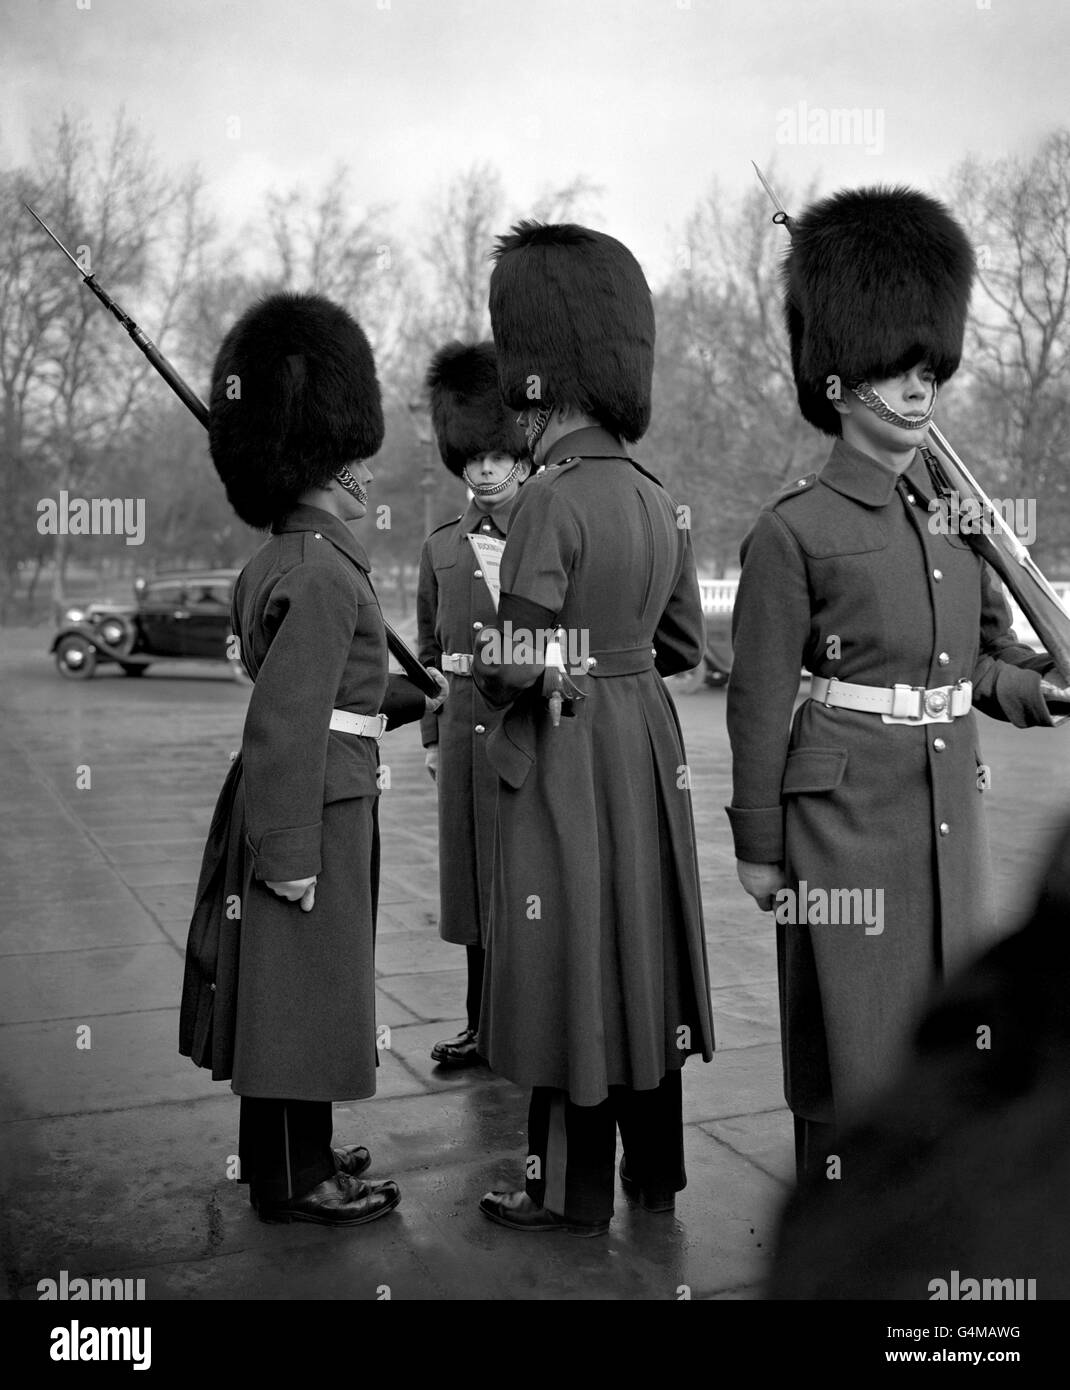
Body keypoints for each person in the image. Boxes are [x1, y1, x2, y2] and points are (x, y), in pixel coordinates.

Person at [725, 186, 1066, 1181]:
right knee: (848, 1046)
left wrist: (1029, 692)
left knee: (943, 1041)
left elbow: (983, 656)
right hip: (839, 819)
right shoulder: (792, 527)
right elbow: (753, 698)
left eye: (928, 370)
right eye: (893, 371)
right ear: (838, 383)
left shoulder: (959, 520)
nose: (918, 391)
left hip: (943, 805)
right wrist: (756, 844)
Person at [179, 292, 447, 1226]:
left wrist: (420, 695)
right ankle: (298, 1184)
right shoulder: (328, 572)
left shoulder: (284, 558)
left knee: (292, 994)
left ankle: (285, 1155)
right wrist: (289, 853)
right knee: (301, 998)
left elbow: (337, 697)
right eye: (355, 457)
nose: (368, 472)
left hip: (315, 792)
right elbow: (287, 724)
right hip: (311, 810)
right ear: (329, 464)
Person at [471, 222, 715, 1236]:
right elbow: (681, 642)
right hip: (644, 741)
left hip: (567, 746)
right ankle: (653, 1175)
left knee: (568, 961)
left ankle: (562, 1188)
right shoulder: (660, 501)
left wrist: (483, 668)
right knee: (639, 957)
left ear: (540, 386)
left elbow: (518, 660)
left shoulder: (545, 501)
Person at [417, 341, 531, 1068]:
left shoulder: (547, 527)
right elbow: (429, 652)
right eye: (472, 457)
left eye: (498, 455)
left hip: (524, 729)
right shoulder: (441, 546)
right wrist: (432, 736)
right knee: (471, 890)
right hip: (462, 728)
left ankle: (527, 1023)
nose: (485, 469)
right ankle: (481, 1024)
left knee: (523, 886)